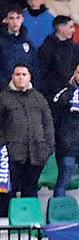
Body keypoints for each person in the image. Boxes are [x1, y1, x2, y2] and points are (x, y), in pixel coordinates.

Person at [0, 62, 54, 216]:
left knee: (30, 190)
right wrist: (2, 146)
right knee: (8, 192)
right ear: (12, 77)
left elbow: (48, 123)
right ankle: (5, 221)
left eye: (24, 74)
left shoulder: (39, 98)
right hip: (12, 154)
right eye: (17, 74)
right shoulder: (3, 98)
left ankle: (29, 219)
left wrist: (47, 147)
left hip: (36, 153)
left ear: (29, 77)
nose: (21, 77)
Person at [0, 6, 42, 99]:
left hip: (27, 93)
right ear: (6, 20)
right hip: (5, 94)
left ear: (22, 19)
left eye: (18, 18)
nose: (15, 22)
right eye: (11, 18)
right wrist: (7, 88)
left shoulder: (28, 43)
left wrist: (33, 89)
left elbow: (35, 68)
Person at [51, 64, 79, 193]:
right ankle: (58, 205)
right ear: (75, 75)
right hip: (68, 147)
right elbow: (55, 118)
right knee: (64, 181)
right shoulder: (65, 94)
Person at [38, 15, 79, 93]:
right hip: (52, 91)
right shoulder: (46, 49)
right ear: (61, 29)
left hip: (72, 90)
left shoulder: (73, 47)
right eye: (70, 27)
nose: (74, 30)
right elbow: (43, 73)